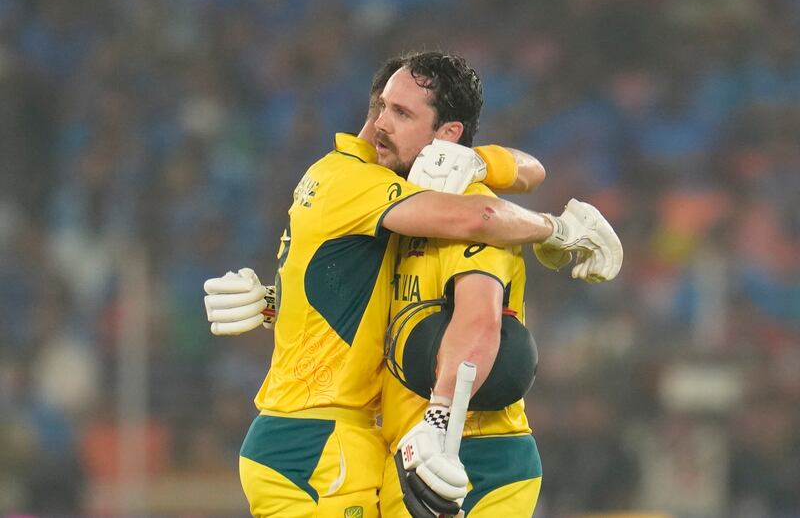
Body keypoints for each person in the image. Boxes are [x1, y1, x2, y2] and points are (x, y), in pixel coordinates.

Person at [204, 52, 622, 517]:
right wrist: (560, 229)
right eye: (382, 107)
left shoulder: (430, 209)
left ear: (448, 135)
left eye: (401, 113)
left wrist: (277, 304)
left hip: (464, 453)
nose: (382, 123)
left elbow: (477, 323)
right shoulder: (374, 190)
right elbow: (479, 219)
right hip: (344, 444)